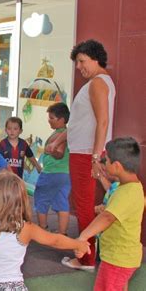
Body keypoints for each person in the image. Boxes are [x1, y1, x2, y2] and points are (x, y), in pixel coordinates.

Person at [49, 40, 116, 270]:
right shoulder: (97, 82)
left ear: (95, 58)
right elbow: (80, 123)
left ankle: (86, 257)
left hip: (87, 154)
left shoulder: (98, 83)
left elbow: (103, 121)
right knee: (86, 204)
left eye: (81, 61)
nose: (79, 67)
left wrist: (96, 157)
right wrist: (59, 139)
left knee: (85, 206)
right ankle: (88, 253)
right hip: (85, 152)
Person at [76, 137, 143, 291]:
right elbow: (115, 211)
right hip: (123, 257)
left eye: (106, 160)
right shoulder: (129, 187)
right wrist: (106, 208)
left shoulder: (127, 192)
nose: (104, 164)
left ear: (117, 166)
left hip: (118, 258)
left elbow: (108, 217)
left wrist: (83, 236)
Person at [34, 102, 71, 235]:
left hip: (51, 173)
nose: (48, 121)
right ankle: (62, 232)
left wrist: (51, 151)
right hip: (65, 173)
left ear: (61, 119)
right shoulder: (67, 134)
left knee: (41, 198)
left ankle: (42, 228)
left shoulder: (59, 135)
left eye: (51, 118)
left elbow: (59, 153)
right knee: (62, 200)